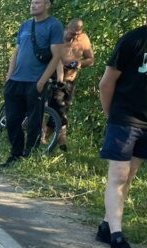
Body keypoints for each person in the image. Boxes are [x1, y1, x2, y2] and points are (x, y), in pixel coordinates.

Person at [96, 3, 147, 248]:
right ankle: (117, 240)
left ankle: (106, 225)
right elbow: (106, 83)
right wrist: (113, 116)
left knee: (129, 177)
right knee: (119, 177)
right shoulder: (134, 40)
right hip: (125, 119)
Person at [1, 0, 63, 166]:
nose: (32, 5)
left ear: (47, 5)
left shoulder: (54, 25)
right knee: (13, 120)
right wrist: (9, 76)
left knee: (34, 122)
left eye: (37, 2)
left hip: (35, 81)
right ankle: (15, 155)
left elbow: (56, 56)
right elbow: (17, 52)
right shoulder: (25, 25)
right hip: (16, 80)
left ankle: (28, 157)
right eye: (31, 2)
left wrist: (41, 82)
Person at [48, 18, 95, 151]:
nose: (73, 37)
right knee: (58, 109)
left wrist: (80, 64)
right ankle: (60, 142)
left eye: (77, 35)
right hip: (54, 78)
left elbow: (91, 60)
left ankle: (48, 142)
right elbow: (52, 57)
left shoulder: (84, 40)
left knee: (62, 110)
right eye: (71, 34)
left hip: (70, 80)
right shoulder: (58, 37)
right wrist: (60, 72)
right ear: (67, 28)